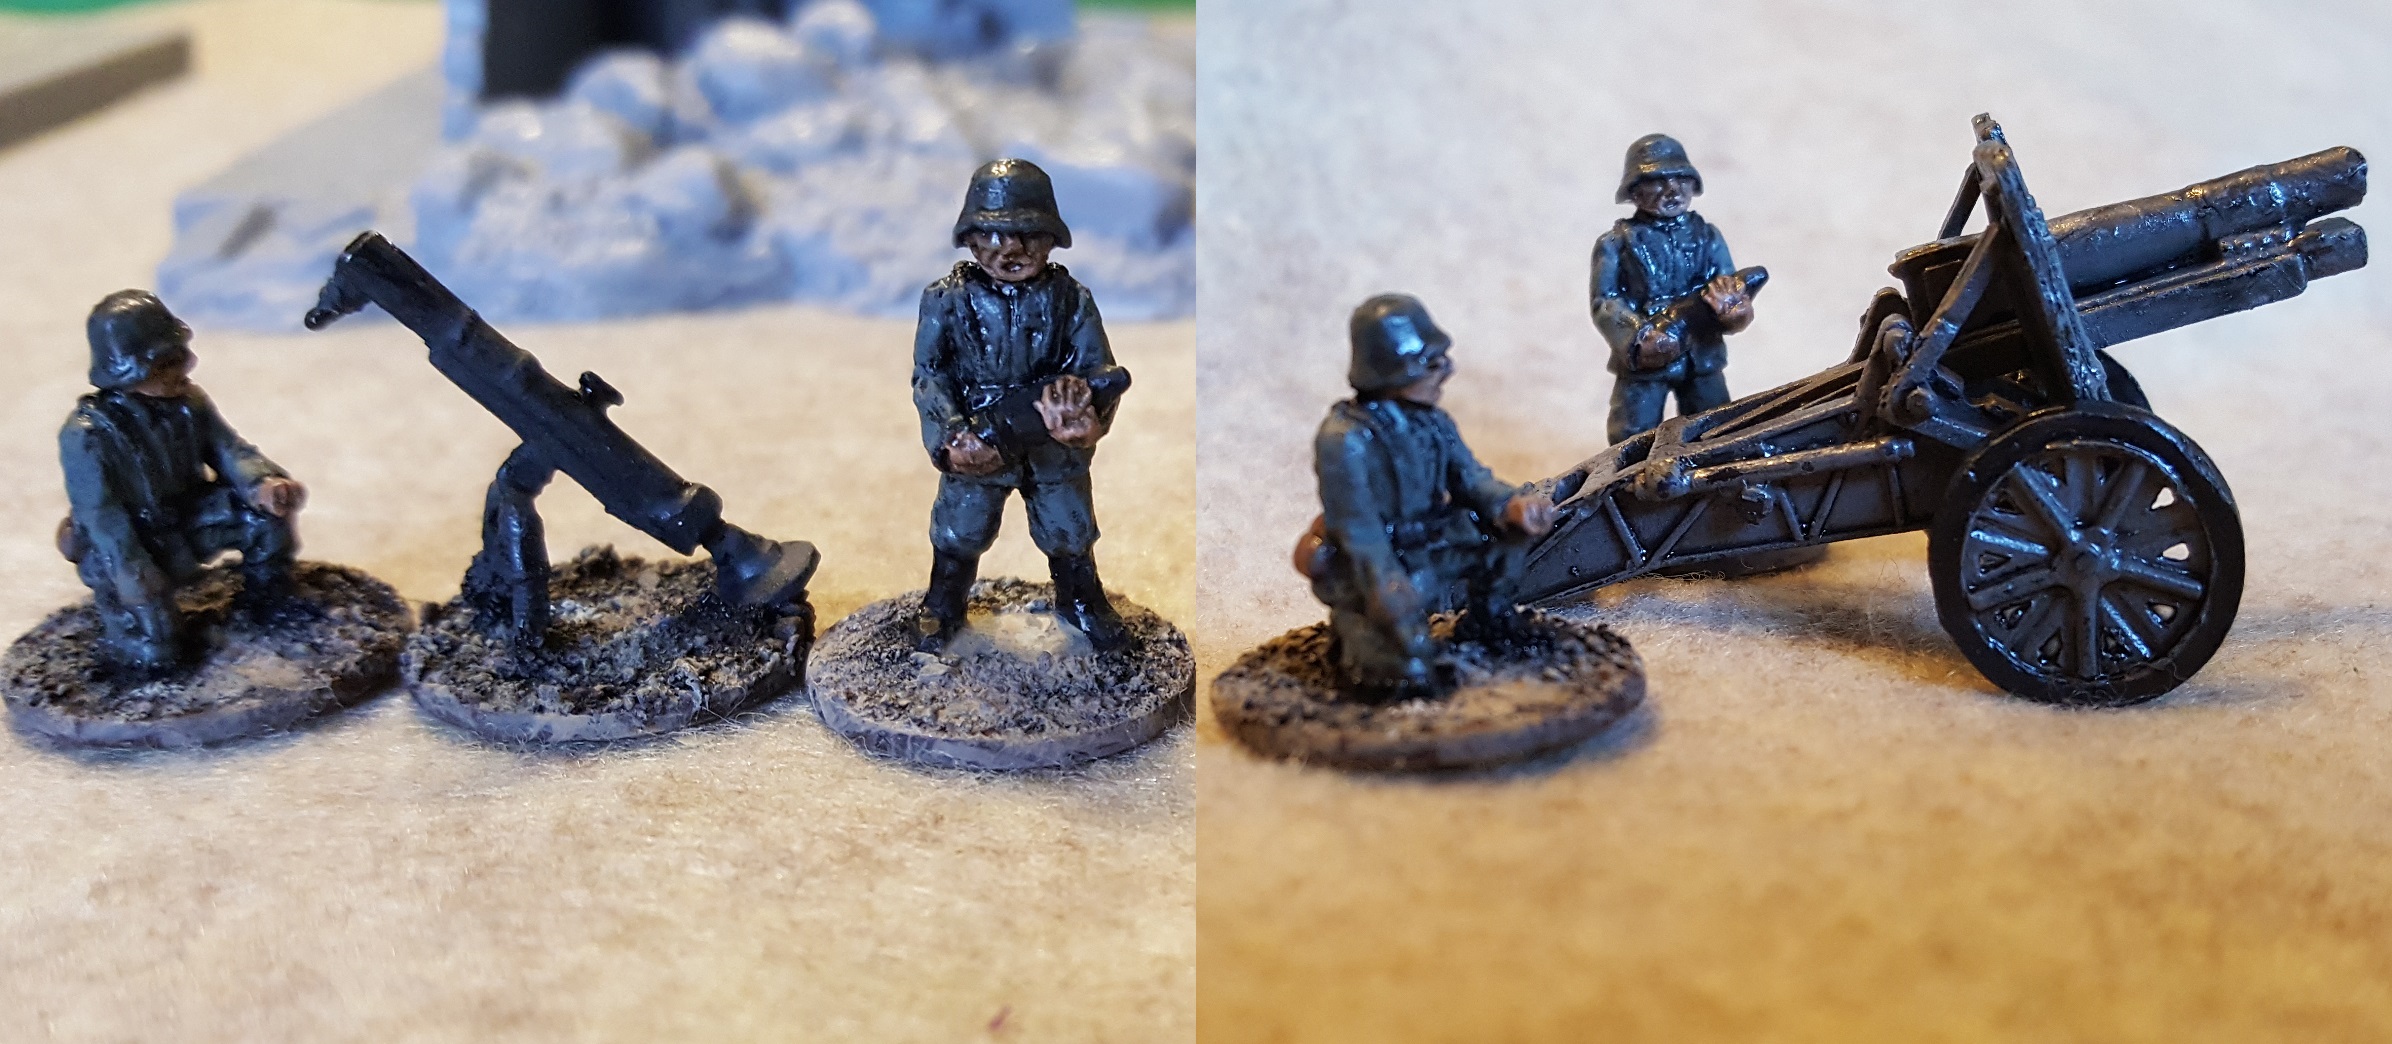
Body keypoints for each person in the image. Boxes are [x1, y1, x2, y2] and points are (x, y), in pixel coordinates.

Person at [910, 158, 1131, 652]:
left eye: (1029, 234)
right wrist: (951, 438)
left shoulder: (1071, 299)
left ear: (1052, 238)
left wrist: (1086, 423)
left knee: (1069, 527)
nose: (1011, 248)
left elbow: (1098, 370)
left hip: (1051, 439)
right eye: (993, 234)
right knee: (960, 527)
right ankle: (943, 604)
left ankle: (1081, 600)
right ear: (970, 239)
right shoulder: (946, 300)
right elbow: (930, 375)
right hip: (978, 432)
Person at [1300, 294, 1554, 698]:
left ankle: (1488, 619)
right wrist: (1385, 584)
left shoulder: (1435, 423)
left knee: (1506, 537)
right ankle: (1367, 640)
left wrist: (1510, 504)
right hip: (1377, 560)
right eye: (1434, 364)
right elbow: (1357, 527)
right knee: (1409, 669)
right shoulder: (1345, 439)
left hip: (1436, 541)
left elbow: (1470, 478)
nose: (1447, 372)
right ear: (1395, 369)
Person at [57, 290, 305, 671]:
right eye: (166, 364)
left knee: (263, 520)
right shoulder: (87, 435)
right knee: (157, 651)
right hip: (131, 543)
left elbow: (228, 449)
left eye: (180, 357)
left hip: (191, 516)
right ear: (131, 370)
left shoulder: (190, 403)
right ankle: (135, 638)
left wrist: (262, 484)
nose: (184, 369)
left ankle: (266, 603)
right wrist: (132, 571)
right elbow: (101, 515)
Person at [1591, 133, 1758, 443]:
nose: (1672, 189)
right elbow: (1605, 302)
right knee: (1631, 436)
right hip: (1647, 357)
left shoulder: (1707, 236)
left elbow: (1728, 285)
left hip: (1702, 354)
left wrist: (1736, 312)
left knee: (1716, 430)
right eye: (1657, 180)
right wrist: (1640, 337)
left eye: (1681, 178)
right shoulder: (1615, 243)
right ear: (1635, 191)